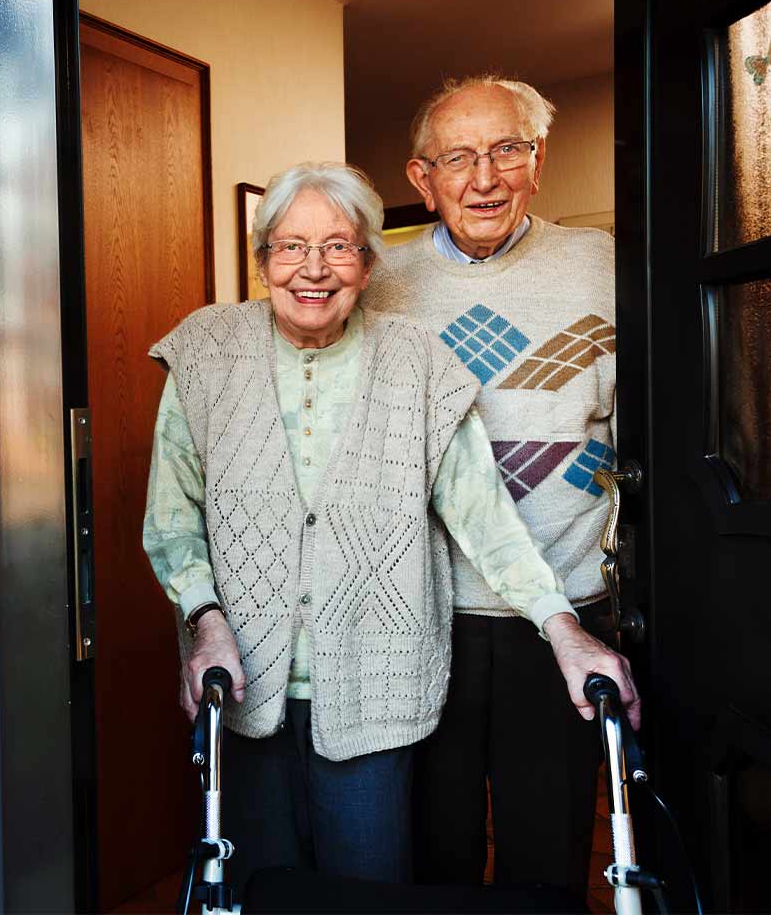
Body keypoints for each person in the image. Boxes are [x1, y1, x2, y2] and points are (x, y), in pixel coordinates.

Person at [142, 161, 635, 892]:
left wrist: (564, 631)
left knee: (369, 890)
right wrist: (204, 620)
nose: (314, 268)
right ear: (263, 259)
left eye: (339, 246)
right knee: (258, 892)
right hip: (242, 684)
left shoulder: (419, 361)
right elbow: (171, 516)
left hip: (377, 688)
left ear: (369, 263)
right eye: (290, 246)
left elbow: (483, 516)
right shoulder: (206, 349)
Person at [362, 75, 636, 896]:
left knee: (548, 850)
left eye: (507, 150)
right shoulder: (379, 286)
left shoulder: (607, 264)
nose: (484, 179)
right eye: (459, 158)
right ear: (421, 178)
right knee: (433, 849)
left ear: (539, 161)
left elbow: (651, 424)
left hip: (564, 608)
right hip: (424, 610)